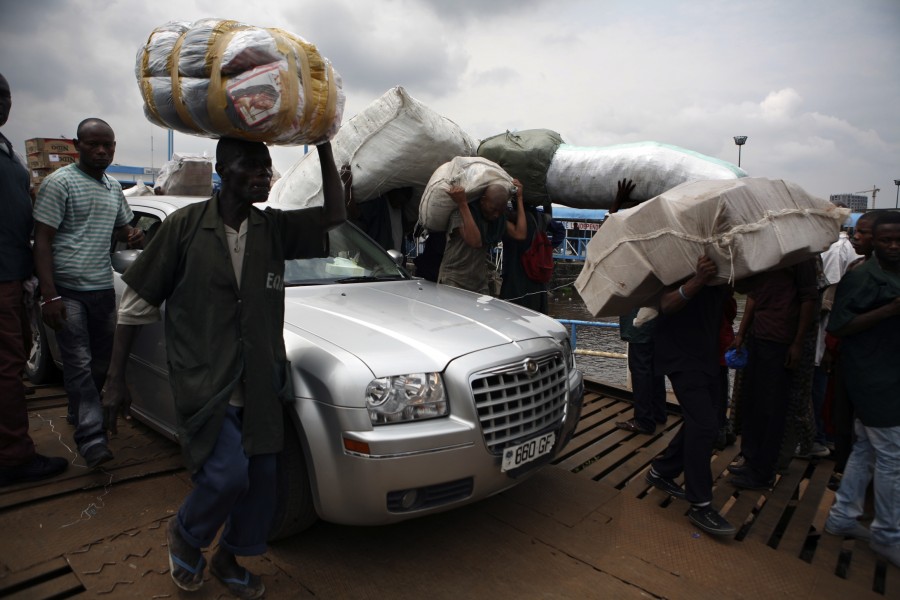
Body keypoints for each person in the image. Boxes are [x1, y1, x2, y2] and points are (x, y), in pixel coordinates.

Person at [102, 137, 345, 598]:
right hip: (205, 378)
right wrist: (115, 380)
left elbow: (335, 215)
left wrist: (324, 150)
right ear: (223, 169)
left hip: (259, 379)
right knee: (227, 475)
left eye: (267, 166)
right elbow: (136, 304)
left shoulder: (270, 228)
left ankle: (228, 557)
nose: (263, 175)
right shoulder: (186, 227)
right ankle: (187, 534)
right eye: (251, 166)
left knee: (261, 482)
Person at [31, 118, 143, 469]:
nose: (101, 150)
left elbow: (124, 226)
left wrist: (133, 235)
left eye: (107, 145)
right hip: (67, 291)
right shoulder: (59, 183)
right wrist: (49, 295)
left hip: (101, 289)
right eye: (93, 144)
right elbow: (42, 240)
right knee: (78, 363)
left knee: (99, 364)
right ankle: (92, 438)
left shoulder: (112, 187)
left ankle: (77, 411)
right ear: (77, 146)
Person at [0, 71, 69, 486]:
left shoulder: (9, 154)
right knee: (8, 370)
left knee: (12, 365)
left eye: (4, 94)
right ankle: (13, 458)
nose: (1, 102)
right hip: (4, 279)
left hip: (13, 277)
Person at [823, 211, 900, 567]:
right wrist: (889, 311)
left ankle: (843, 516)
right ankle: (888, 534)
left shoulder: (891, 274)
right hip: (873, 378)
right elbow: (839, 324)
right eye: (886, 240)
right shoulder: (862, 277)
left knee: (867, 450)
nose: (894, 246)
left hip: (888, 373)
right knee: (892, 459)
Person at [644, 255, 736, 536]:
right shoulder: (675, 255)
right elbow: (666, 304)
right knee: (705, 425)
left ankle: (662, 470)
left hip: (707, 351)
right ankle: (700, 503)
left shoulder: (722, 258)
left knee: (703, 418)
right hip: (679, 353)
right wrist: (698, 280)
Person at [728, 258, 817, 489]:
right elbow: (754, 296)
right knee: (752, 402)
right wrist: (741, 333)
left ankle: (763, 471)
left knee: (772, 408)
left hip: (780, 339)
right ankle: (750, 460)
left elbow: (808, 299)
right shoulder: (766, 252)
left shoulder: (801, 257)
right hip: (759, 335)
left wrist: (797, 343)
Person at [438, 179, 527, 294]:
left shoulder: (496, 220)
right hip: (454, 279)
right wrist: (462, 204)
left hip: (479, 282)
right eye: (493, 209)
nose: (496, 215)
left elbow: (520, 233)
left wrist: (519, 198)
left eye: (500, 212)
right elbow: (475, 241)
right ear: (483, 201)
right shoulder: (461, 214)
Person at [500, 205, 551, 313]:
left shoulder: (510, 223)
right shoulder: (539, 218)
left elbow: (520, 234)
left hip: (516, 284)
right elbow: (555, 224)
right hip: (537, 283)